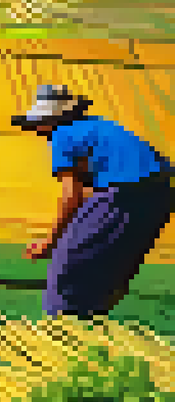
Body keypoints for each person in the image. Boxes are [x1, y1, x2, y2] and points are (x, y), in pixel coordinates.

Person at [13, 84, 175, 317]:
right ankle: (94, 320)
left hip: (124, 192)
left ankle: (59, 328)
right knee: (116, 263)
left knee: (64, 266)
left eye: (39, 123)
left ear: (51, 120)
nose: (36, 129)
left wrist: (49, 242)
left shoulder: (62, 135)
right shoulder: (98, 126)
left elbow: (72, 197)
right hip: (162, 194)